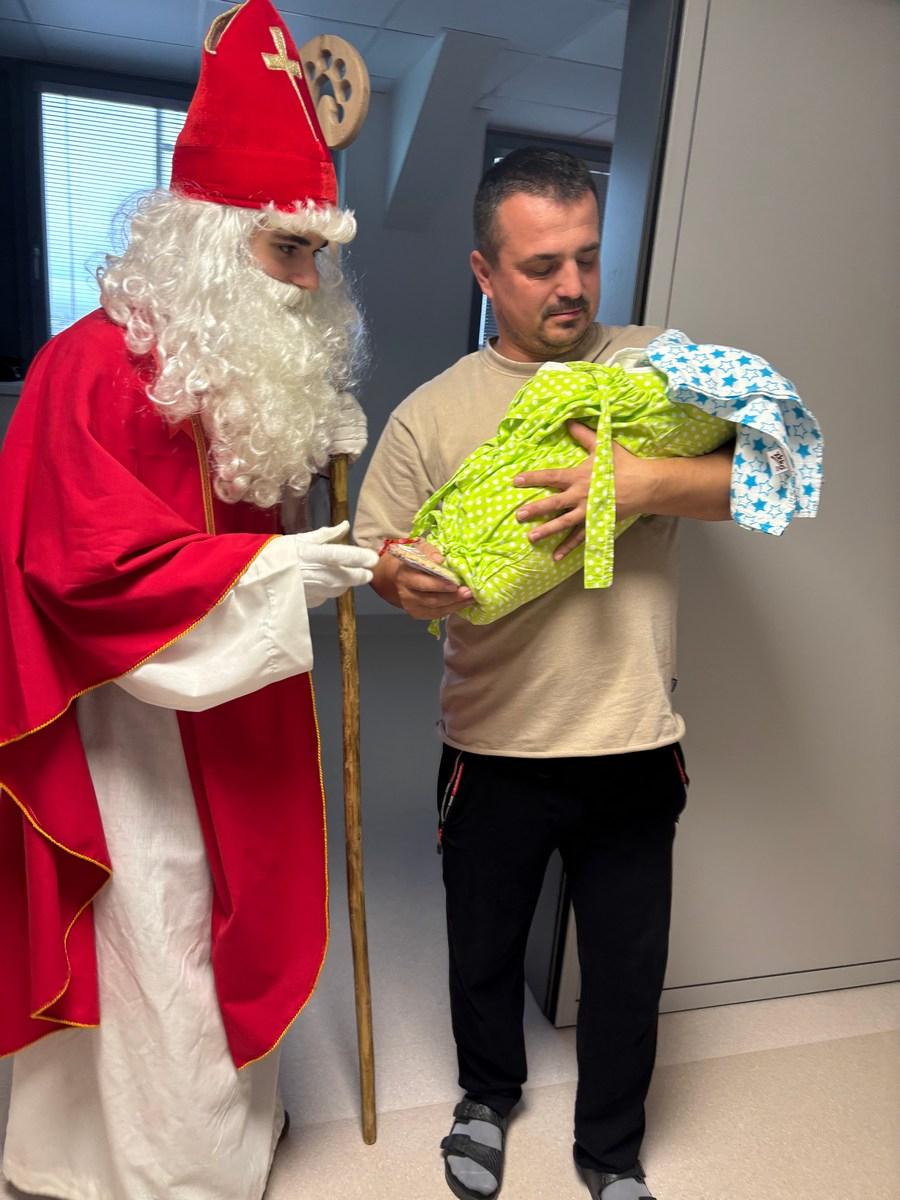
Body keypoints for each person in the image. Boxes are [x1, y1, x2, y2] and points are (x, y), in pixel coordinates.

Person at [0, 2, 377, 1197]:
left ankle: (232, 1136)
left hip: (231, 698)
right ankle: (144, 1175)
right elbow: (82, 571)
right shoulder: (86, 369)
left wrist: (310, 440)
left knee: (226, 911)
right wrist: (280, 571)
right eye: (286, 251)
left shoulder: (235, 363)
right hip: (123, 723)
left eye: (317, 255)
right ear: (207, 243)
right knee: (155, 938)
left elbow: (235, 506)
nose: (308, 283)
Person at [353, 147, 735, 1200]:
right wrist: (399, 581)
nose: (572, 286)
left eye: (587, 257)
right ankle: (486, 1099)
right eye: (540, 266)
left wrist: (642, 480)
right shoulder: (433, 413)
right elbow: (375, 552)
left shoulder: (660, 369)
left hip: (633, 736)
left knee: (626, 968)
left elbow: (763, 479)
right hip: (494, 743)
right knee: (482, 949)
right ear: (484, 272)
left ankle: (611, 1151)